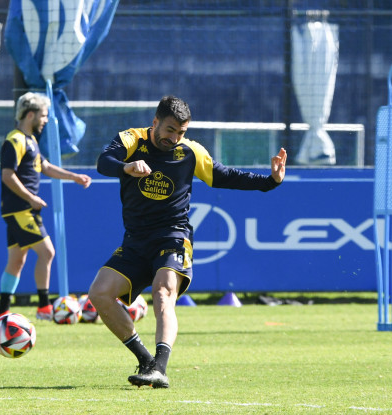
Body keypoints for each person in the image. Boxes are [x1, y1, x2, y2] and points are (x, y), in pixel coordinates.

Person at [88, 95, 287, 388]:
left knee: (163, 292)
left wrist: (269, 182)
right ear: (155, 123)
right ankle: (145, 359)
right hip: (135, 240)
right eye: (169, 130)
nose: (175, 138)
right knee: (99, 293)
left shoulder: (190, 151)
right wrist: (126, 167)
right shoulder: (132, 139)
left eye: (181, 132)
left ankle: (160, 367)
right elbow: (103, 162)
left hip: (173, 236)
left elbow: (224, 176)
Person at [0, 92, 92, 321]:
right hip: (21, 209)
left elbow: (46, 167)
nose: (46, 119)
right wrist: (30, 198)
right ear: (31, 115)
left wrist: (74, 177)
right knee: (47, 252)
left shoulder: (30, 140)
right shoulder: (15, 140)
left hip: (21, 208)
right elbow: (7, 175)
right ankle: (44, 307)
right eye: (44, 115)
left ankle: (2, 311)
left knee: (16, 260)